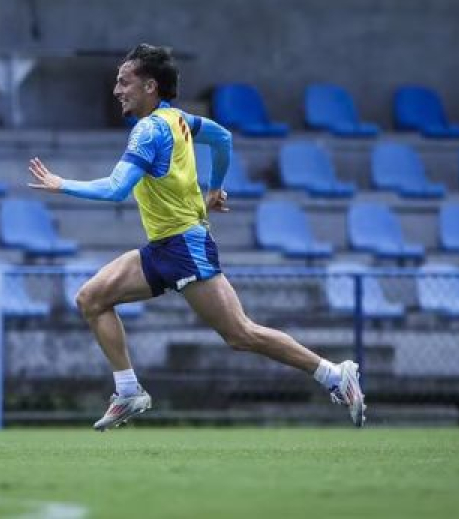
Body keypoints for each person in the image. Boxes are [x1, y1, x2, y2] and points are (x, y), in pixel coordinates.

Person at [28, 43, 366, 431]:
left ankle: (335, 375)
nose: (117, 90)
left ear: (150, 86)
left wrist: (61, 184)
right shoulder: (179, 119)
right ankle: (128, 392)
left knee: (240, 334)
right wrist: (215, 188)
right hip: (162, 247)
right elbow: (222, 138)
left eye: (124, 81)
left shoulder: (148, 130)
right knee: (91, 298)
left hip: (184, 247)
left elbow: (116, 189)